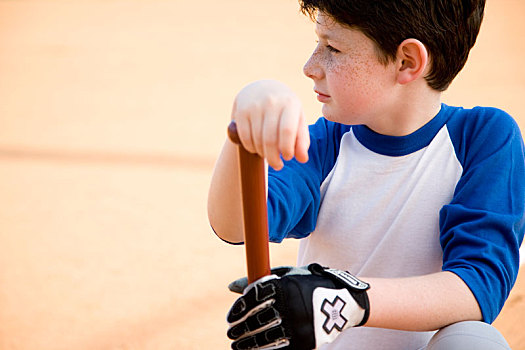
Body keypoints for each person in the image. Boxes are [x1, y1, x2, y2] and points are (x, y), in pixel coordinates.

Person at [207, 0, 525, 349]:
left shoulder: (482, 138)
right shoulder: (327, 142)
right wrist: (243, 127)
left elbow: (479, 286)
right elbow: (235, 224)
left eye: (333, 47)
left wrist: (346, 298)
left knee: (475, 342)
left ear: (407, 62)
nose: (310, 66)